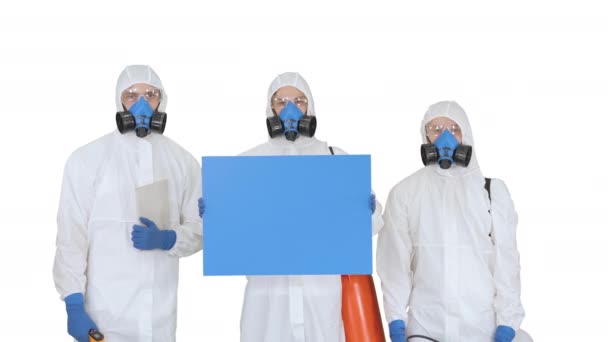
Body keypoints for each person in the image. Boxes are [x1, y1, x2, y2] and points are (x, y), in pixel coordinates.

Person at [199, 72, 383, 342]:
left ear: (310, 107)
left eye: (299, 100)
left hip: (320, 294)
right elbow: (229, 239)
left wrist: (368, 210)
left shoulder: (335, 160)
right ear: (270, 108)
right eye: (281, 101)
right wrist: (213, 216)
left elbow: (374, 225)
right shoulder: (246, 165)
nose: (290, 109)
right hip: (267, 299)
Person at [53, 65, 202, 342]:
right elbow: (71, 236)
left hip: (160, 321)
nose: (142, 103)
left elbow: (202, 227)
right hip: (104, 318)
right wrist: (73, 303)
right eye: (132, 95)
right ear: (119, 100)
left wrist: (170, 238)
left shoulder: (183, 162)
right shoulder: (87, 160)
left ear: (162, 99)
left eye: (151, 94)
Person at [377, 101, 531, 342]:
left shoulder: (491, 193)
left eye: (454, 128)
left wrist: (507, 323)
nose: (445, 137)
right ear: (426, 136)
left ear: (466, 134)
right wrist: (396, 320)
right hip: (426, 327)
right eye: (436, 129)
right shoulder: (405, 193)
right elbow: (395, 262)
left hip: (481, 327)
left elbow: (507, 263)